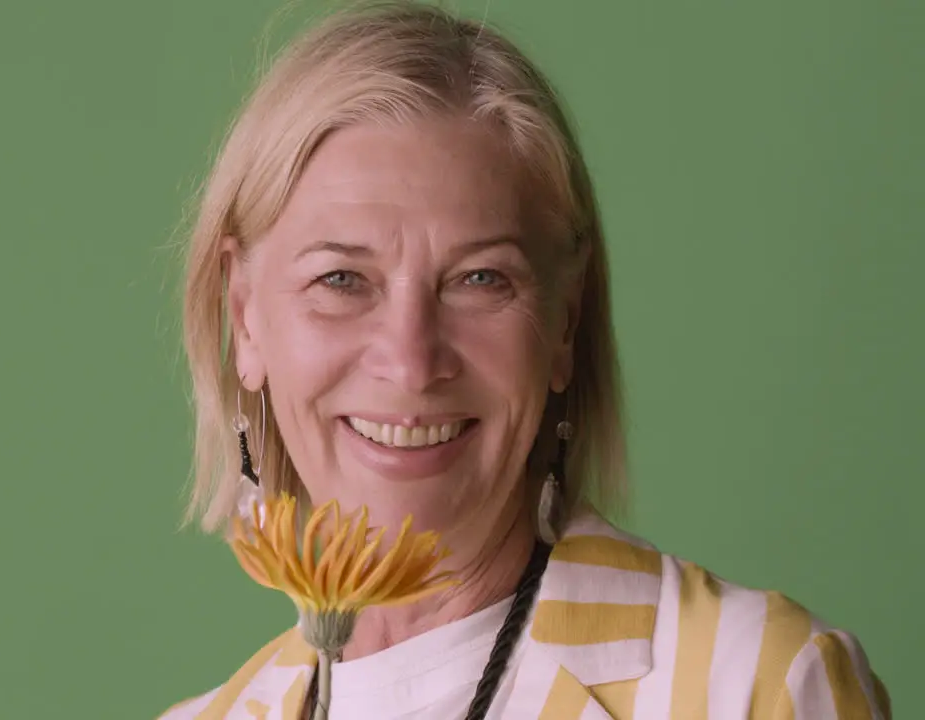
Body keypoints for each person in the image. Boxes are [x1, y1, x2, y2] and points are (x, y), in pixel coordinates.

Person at [159, 2, 890, 718]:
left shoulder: (756, 685)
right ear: (245, 317)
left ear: (564, 325)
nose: (411, 363)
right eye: (341, 280)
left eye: (481, 279)